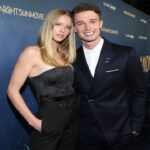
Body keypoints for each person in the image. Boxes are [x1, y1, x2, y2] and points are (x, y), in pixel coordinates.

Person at [71, 3, 146, 150]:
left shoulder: (125, 54)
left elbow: (139, 93)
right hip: (86, 135)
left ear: (101, 24)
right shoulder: (70, 59)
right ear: (74, 28)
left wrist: (134, 127)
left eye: (92, 21)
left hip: (121, 133)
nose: (87, 28)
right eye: (81, 23)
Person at [7, 8, 78, 150]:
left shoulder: (65, 54)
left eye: (67, 27)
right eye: (58, 24)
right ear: (48, 25)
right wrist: (34, 122)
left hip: (72, 120)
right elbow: (12, 90)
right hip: (49, 121)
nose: (62, 30)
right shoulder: (32, 53)